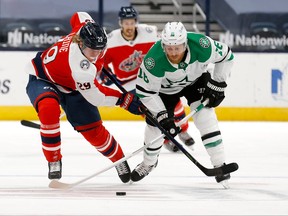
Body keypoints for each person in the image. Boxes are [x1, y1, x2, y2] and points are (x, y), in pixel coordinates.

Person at [24, 12, 142, 183]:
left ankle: (119, 159)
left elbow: (78, 15)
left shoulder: (85, 29)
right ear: (80, 43)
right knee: (48, 109)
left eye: (99, 50)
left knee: (94, 131)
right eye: (90, 50)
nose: (94, 54)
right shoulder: (81, 68)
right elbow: (98, 97)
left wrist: (100, 67)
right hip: (43, 78)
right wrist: (125, 100)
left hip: (73, 85)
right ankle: (54, 159)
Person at [132, 21, 235, 186]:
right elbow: (145, 92)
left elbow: (227, 55)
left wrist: (218, 83)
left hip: (196, 82)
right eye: (169, 48)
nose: (173, 53)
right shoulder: (153, 60)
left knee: (205, 116)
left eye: (177, 48)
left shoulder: (202, 45)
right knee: (155, 127)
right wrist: (162, 115)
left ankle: (220, 165)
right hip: (165, 90)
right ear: (163, 45)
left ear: (185, 43)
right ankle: (148, 163)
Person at [99, 6, 195, 152]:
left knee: (174, 102)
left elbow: (163, 50)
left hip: (152, 77)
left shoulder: (149, 33)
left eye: (131, 22)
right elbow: (102, 63)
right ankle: (166, 139)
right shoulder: (112, 40)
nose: (129, 26)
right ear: (121, 23)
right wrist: (104, 75)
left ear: (136, 22)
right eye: (126, 23)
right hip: (129, 84)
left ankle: (182, 130)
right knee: (152, 112)